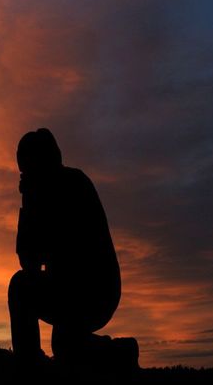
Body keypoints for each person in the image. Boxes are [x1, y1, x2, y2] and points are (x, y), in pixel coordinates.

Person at [7, 128, 131, 368]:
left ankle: (29, 367)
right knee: (65, 343)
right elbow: (28, 261)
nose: (25, 177)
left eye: (29, 169)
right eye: (23, 171)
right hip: (67, 289)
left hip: (95, 291)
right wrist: (29, 206)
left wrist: (34, 206)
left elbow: (61, 250)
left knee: (24, 290)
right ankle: (121, 352)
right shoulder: (39, 196)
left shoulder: (74, 185)